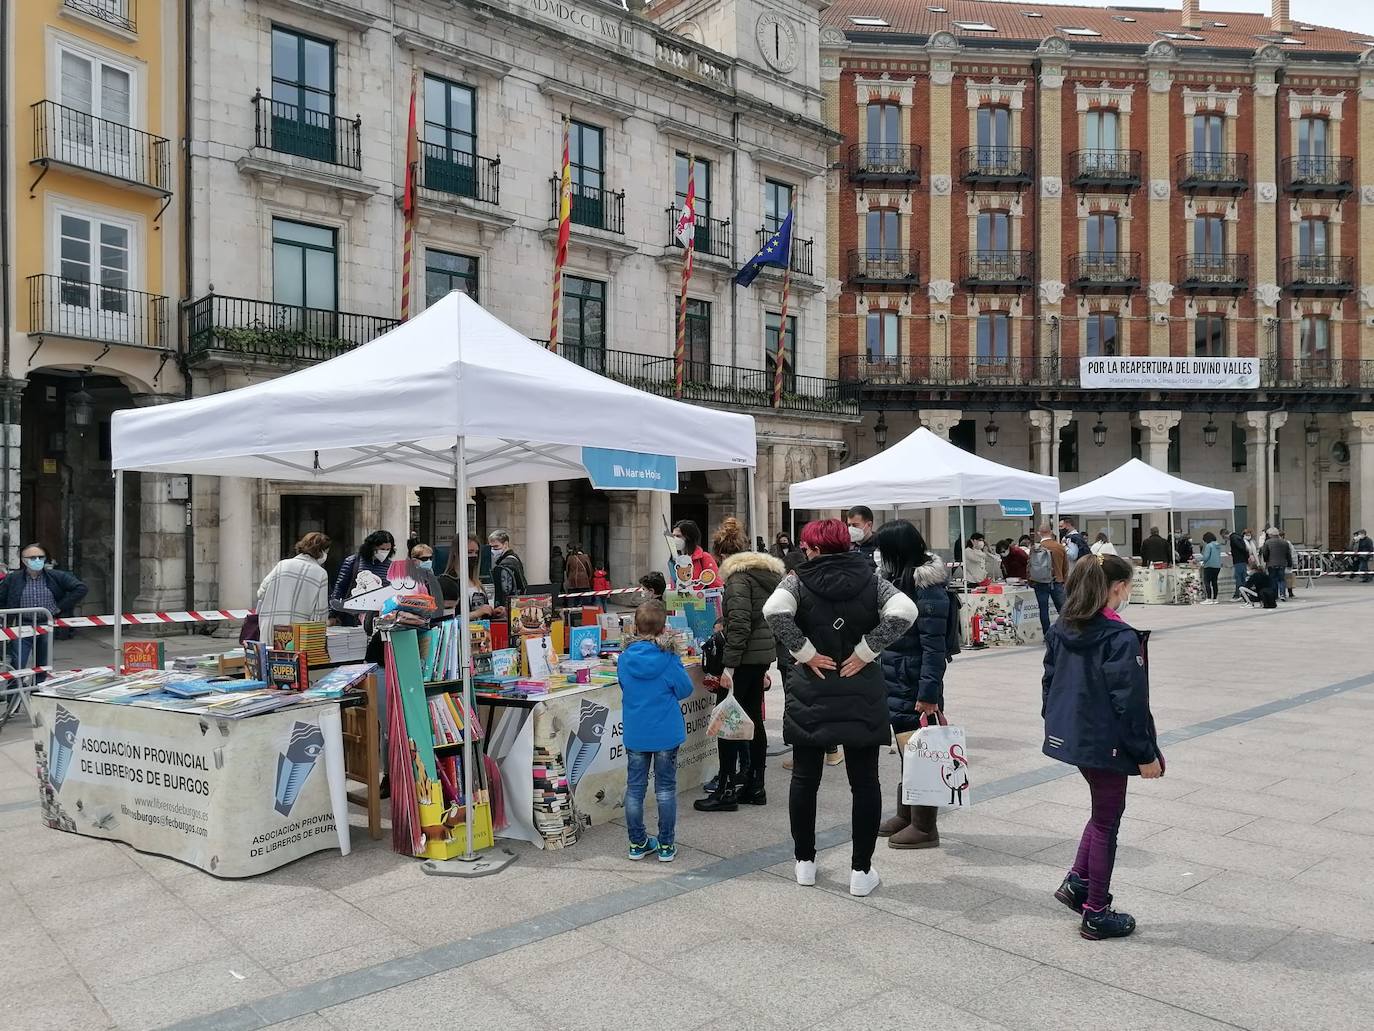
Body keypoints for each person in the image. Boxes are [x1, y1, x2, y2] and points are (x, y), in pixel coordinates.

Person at [764, 518, 918, 898]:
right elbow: (905, 610)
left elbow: (773, 611)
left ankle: (804, 863)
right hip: (860, 688)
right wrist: (868, 650)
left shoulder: (797, 580)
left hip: (810, 690)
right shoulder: (870, 578)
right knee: (864, 782)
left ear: (813, 548)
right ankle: (861, 871)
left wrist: (804, 651)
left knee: (805, 779)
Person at [1042, 554, 1164, 941]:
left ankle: (1078, 882)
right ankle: (1096, 910)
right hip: (1105, 740)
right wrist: (1145, 753)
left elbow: (1048, 683)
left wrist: (1058, 723)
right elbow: (1130, 702)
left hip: (1074, 735)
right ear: (1117, 588)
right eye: (1128, 585)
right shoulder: (1119, 637)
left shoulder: (1062, 626)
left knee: (1101, 812)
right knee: (1107, 819)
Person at [695, 517, 783, 813]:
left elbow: (742, 624)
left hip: (742, 659)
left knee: (727, 721)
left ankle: (726, 788)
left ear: (722, 555)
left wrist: (728, 668)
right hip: (758, 656)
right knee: (754, 720)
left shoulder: (738, 579)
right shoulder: (762, 574)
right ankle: (755, 785)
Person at [875, 520, 950, 850]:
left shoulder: (927, 587)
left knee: (922, 753)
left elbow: (935, 647)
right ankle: (906, 814)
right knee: (909, 751)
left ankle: (925, 826)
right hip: (896, 677)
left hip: (915, 681)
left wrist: (928, 693)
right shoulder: (896, 579)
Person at [618, 600, 695, 863]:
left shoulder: (625, 658)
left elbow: (624, 686)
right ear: (664, 629)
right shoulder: (669, 659)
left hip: (636, 731)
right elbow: (685, 689)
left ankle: (637, 842)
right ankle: (665, 844)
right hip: (665, 731)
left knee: (635, 788)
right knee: (665, 788)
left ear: (635, 628)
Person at [1, 543, 87, 673]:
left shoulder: (56, 576)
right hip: (21, 625)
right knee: (17, 662)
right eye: (32, 557)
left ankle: (37, 688)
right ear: (23, 560)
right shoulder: (13, 578)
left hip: (46, 624)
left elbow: (81, 588)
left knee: (43, 663)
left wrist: (60, 608)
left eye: (40, 557)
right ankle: (13, 691)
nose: (37, 560)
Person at [255, 532, 331, 643]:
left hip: (269, 628)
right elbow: (320, 612)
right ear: (321, 551)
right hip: (297, 634)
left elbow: (261, 593)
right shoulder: (320, 573)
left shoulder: (282, 565)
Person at [330, 530, 396, 626]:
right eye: (382, 549)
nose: (385, 552)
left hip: (380, 615)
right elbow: (340, 588)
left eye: (388, 549)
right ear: (372, 547)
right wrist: (333, 614)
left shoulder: (390, 566)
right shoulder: (353, 561)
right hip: (352, 615)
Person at [439, 534, 493, 619]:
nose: (474, 556)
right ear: (456, 553)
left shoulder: (476, 581)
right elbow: (447, 619)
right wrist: (476, 613)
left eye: (476, 552)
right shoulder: (447, 582)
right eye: (469, 552)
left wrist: (492, 612)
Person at [1028, 526, 1069, 636]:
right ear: (1051, 532)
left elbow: (1029, 566)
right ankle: (1065, 632)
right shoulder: (1059, 547)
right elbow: (1066, 567)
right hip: (1057, 582)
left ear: (1039, 533)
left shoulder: (1035, 548)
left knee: (1043, 609)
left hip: (1039, 582)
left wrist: (1030, 580)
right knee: (1063, 610)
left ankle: (1047, 635)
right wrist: (1064, 580)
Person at [488, 529, 528, 612]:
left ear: (505, 544)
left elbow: (504, 591)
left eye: (496, 546)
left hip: (507, 607)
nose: (493, 550)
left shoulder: (504, 564)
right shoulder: (515, 558)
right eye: (491, 547)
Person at [670, 520, 718, 588]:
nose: (674, 539)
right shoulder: (675, 559)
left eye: (678, 536)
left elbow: (716, 586)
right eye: (673, 536)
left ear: (689, 538)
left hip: (699, 597)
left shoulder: (704, 557)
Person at [1261, 528, 1292, 602]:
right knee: (1282, 579)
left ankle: (1275, 595)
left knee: (1273, 579)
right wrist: (1289, 563)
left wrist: (1266, 560)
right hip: (1282, 563)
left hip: (1271, 564)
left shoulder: (1267, 542)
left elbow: (1265, 553)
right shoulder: (1284, 542)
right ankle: (1282, 595)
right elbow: (1288, 554)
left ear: (1271, 535)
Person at [1227, 527, 1251, 599]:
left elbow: (1242, 548)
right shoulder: (1239, 538)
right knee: (1243, 577)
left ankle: (1239, 594)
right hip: (1242, 560)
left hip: (1238, 560)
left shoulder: (1234, 538)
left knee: (1239, 578)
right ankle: (1244, 593)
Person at [1199, 532, 1222, 604]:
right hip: (1217, 566)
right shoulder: (1218, 545)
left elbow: (1206, 557)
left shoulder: (1209, 546)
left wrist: (1198, 559)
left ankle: (1208, 598)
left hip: (1209, 565)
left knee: (1207, 582)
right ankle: (1215, 599)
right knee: (1214, 582)